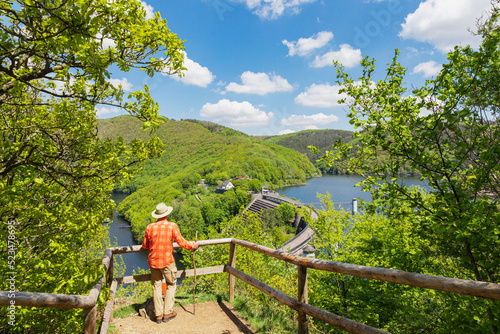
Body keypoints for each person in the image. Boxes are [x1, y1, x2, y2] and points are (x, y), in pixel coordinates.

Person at [141, 202, 199, 324]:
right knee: (171, 284)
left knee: (156, 286)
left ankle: (158, 315)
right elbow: (182, 242)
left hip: (153, 261)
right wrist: (194, 245)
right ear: (166, 214)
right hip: (167, 261)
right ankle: (167, 313)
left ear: (157, 215)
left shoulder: (149, 227)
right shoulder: (172, 226)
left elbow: (145, 245)